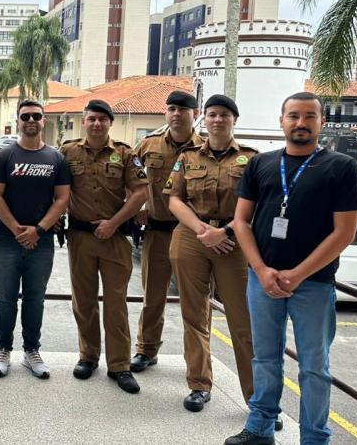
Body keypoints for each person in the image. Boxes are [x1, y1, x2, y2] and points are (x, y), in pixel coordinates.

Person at [225, 92, 357, 445]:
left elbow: (345, 232)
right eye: (293, 116)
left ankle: (315, 438)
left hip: (313, 284)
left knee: (314, 367)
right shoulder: (261, 164)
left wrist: (297, 274)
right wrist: (261, 269)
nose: (301, 123)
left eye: (309, 116)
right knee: (265, 358)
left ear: (322, 122)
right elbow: (241, 222)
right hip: (262, 280)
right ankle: (260, 428)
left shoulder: (341, 167)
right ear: (281, 120)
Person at [165, 94, 257, 413]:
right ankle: (199, 385)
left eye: (224, 115)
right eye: (212, 114)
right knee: (194, 315)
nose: (218, 120)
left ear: (234, 119)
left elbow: (256, 206)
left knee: (242, 321)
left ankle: (256, 399)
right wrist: (203, 231)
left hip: (234, 241)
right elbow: (174, 199)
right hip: (192, 237)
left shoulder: (251, 159)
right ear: (204, 118)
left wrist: (225, 232)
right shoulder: (188, 157)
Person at [60, 99, 148, 393]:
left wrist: (114, 221)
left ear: (110, 123)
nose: (97, 124)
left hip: (115, 238)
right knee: (83, 300)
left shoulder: (125, 153)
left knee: (116, 303)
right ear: (84, 122)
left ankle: (120, 365)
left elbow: (139, 193)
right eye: (91, 119)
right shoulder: (68, 151)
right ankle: (88, 355)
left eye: (102, 119)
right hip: (81, 238)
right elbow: (58, 191)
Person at [0, 100, 71, 379]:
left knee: (35, 299)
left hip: (42, 241)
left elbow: (62, 199)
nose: (31, 120)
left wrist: (39, 230)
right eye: (26, 116)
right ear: (18, 121)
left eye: (36, 116)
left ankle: (31, 351)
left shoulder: (56, 158)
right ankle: (3, 350)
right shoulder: (4, 157)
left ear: (43, 121)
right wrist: (17, 230)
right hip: (6, 240)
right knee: (5, 299)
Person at [130, 90, 202, 373]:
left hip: (193, 236)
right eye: (171, 109)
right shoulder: (148, 146)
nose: (176, 114)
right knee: (152, 297)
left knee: (195, 303)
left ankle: (197, 360)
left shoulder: (205, 148)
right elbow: (131, 177)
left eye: (182, 110)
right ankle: (147, 350)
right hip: (157, 232)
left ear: (194, 115)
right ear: (166, 113)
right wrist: (138, 202)